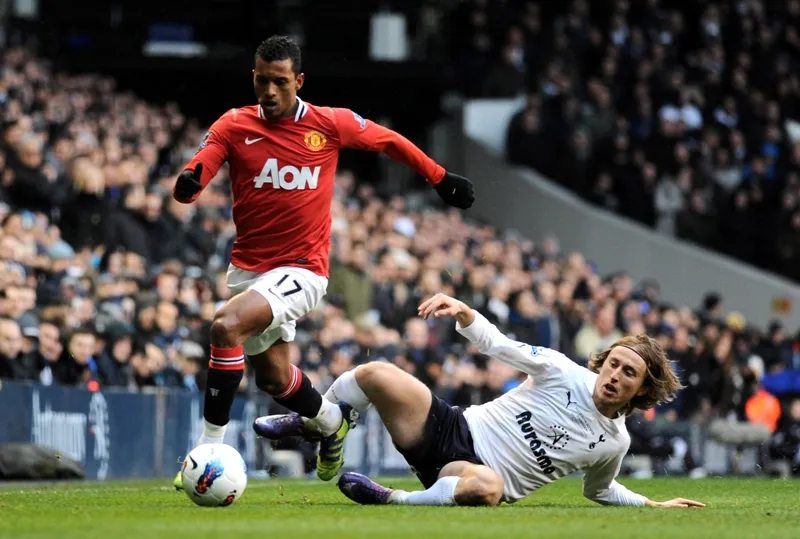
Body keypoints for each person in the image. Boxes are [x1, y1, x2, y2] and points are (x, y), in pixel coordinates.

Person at [171, 36, 475, 490]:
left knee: (224, 327)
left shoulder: (328, 124)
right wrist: (190, 182)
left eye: (279, 82)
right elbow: (202, 164)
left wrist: (440, 177)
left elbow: (388, 141)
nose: (269, 91)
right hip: (250, 271)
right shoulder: (234, 124)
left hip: (303, 270)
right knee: (274, 379)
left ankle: (205, 451)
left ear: (299, 81)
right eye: (261, 80)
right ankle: (332, 421)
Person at [258, 293, 706, 508]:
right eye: (614, 363)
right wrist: (465, 312)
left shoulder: (614, 442)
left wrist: (651, 505)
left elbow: (599, 489)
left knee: (490, 488)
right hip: (450, 427)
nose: (615, 375)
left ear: (642, 390)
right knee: (375, 373)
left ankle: (393, 498)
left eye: (628, 373)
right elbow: (499, 345)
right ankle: (323, 424)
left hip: (469, 475)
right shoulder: (561, 369)